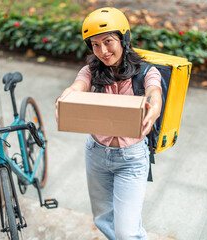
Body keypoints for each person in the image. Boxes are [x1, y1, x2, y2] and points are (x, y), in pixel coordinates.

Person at [55, 7, 162, 240]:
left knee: (127, 232)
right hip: (96, 153)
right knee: (104, 219)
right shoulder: (91, 70)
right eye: (94, 44)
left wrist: (154, 106)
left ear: (124, 39)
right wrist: (66, 97)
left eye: (108, 41)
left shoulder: (145, 72)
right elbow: (78, 85)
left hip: (131, 158)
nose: (102, 50)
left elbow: (155, 91)